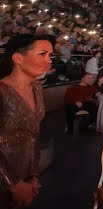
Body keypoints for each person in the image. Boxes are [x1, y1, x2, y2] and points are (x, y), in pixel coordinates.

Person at [0, 34, 53, 208]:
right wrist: (13, 183)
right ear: (18, 58)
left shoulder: (37, 88)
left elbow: (33, 135)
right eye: (42, 54)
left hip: (26, 174)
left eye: (50, 56)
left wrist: (32, 176)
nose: (49, 60)